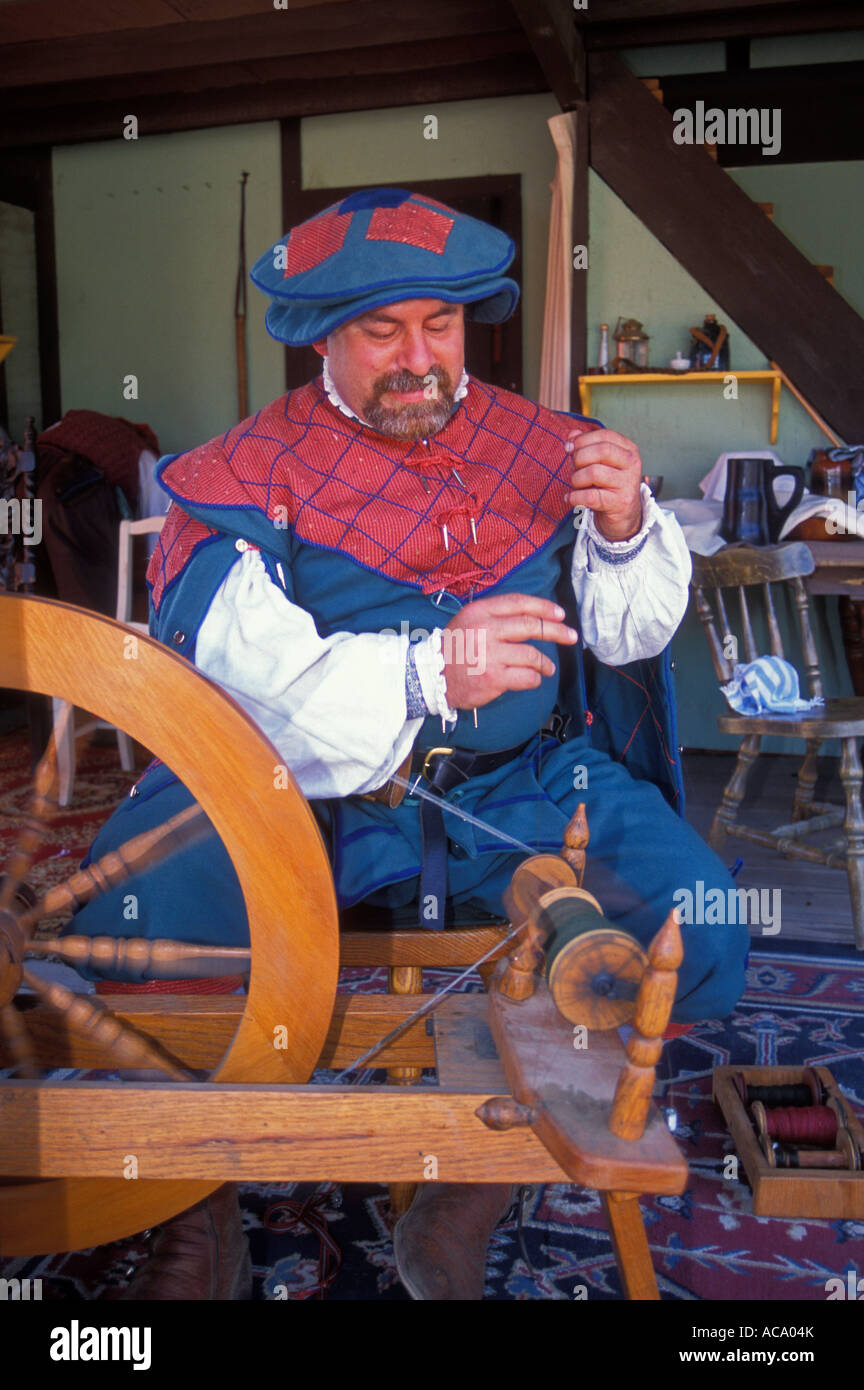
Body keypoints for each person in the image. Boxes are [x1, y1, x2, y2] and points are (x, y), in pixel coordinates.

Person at [69, 187, 748, 1300]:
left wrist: (627, 528)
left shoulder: (547, 446)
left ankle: (464, 1193)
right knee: (143, 939)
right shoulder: (244, 475)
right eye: (382, 332)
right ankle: (194, 1204)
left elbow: (630, 631)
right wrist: (434, 669)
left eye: (439, 324)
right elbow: (244, 680)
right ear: (323, 335)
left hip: (525, 786)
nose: (416, 357)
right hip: (290, 794)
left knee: (705, 933)